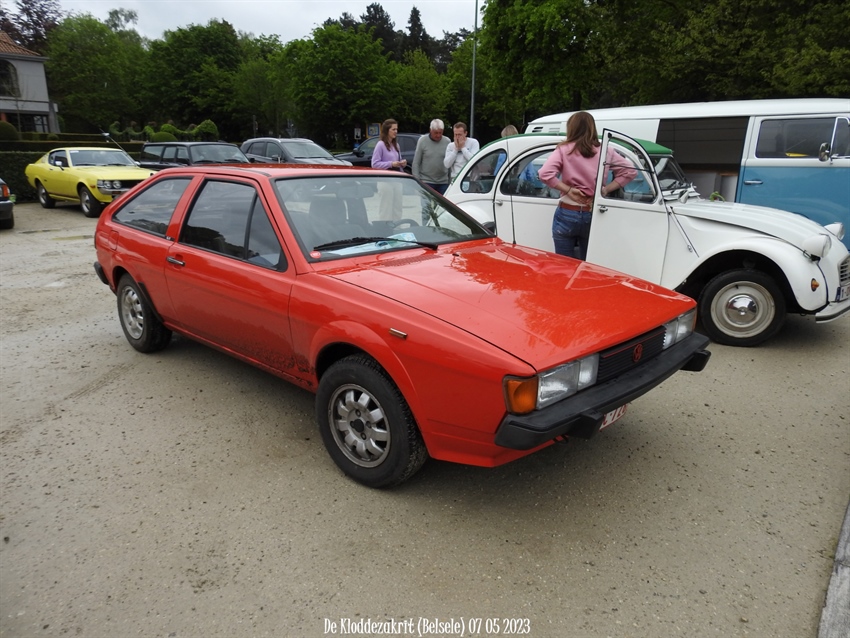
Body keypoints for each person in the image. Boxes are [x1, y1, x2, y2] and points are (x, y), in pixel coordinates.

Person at [538, 111, 636, 259]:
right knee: (589, 263)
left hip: (567, 211)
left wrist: (569, 190)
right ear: (592, 128)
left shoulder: (564, 149)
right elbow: (630, 171)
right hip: (592, 212)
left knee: (564, 263)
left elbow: (544, 174)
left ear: (571, 128)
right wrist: (604, 190)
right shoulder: (606, 151)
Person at [371, 118, 406, 220]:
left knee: (398, 208)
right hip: (385, 181)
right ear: (387, 130)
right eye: (393, 129)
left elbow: (397, 161)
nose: (396, 132)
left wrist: (402, 164)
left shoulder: (396, 145)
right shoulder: (380, 145)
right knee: (386, 208)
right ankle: (385, 227)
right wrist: (391, 164)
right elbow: (374, 164)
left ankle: (397, 226)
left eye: (396, 129)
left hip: (396, 180)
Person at [412, 119, 450, 194]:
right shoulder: (422, 141)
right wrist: (417, 180)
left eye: (440, 133)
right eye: (436, 133)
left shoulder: (447, 141)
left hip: (443, 182)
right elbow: (416, 162)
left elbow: (450, 163)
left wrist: (450, 180)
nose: (438, 135)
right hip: (426, 181)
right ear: (430, 130)